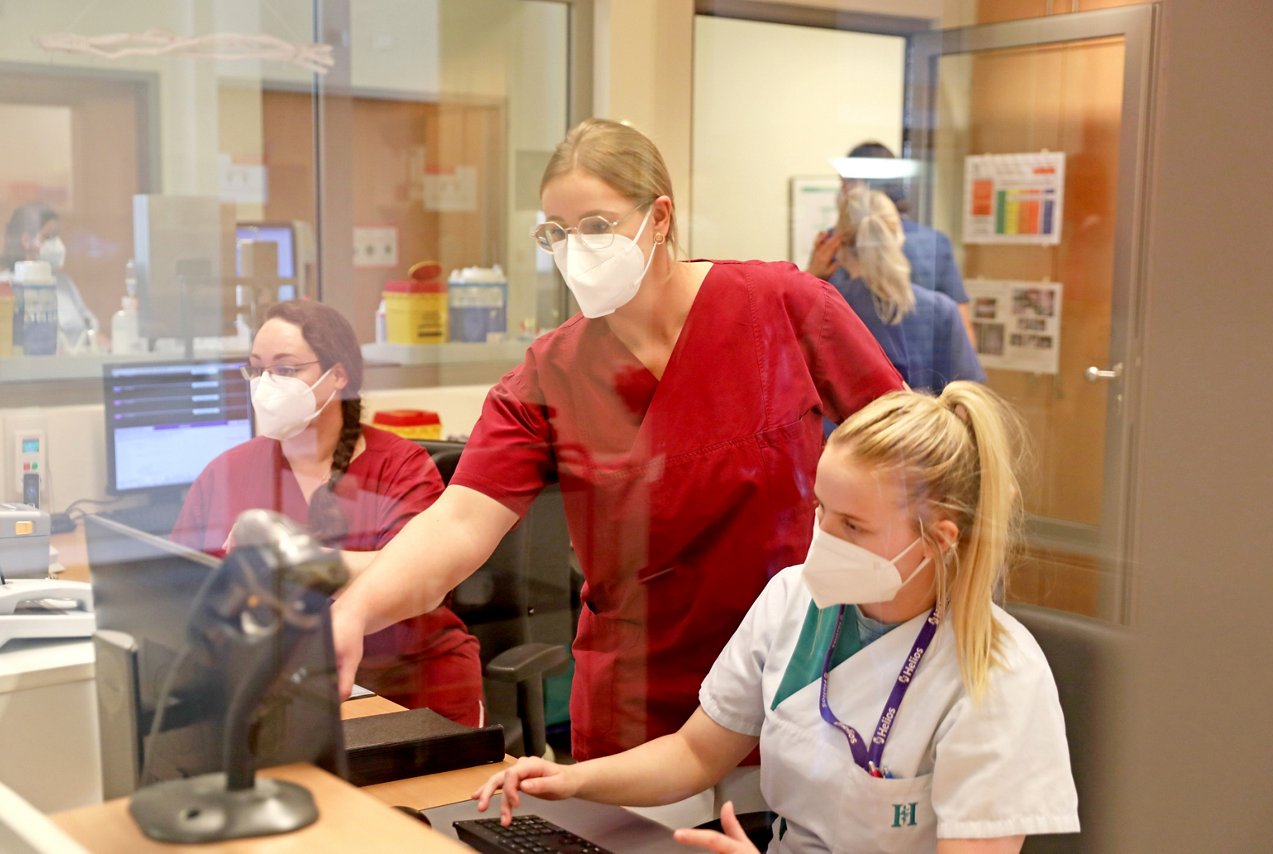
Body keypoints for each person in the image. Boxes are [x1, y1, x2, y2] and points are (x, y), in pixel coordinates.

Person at [331, 118, 904, 760]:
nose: (576, 249)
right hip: (637, 700)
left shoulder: (779, 306)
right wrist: (354, 612)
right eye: (556, 233)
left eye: (598, 227)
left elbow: (911, 452)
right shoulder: (551, 375)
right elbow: (459, 522)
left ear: (659, 218)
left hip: (794, 675)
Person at [473, 382, 1079, 853]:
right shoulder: (796, 599)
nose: (823, 536)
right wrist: (572, 782)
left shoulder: (996, 674)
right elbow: (695, 754)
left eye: (853, 526)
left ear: (939, 539)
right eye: (821, 509)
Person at [171, 300, 483, 725]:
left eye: (285, 370)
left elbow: (422, 576)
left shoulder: (399, 467)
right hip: (281, 696)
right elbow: (177, 588)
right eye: (256, 369)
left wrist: (292, 560)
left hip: (410, 693)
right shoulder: (227, 472)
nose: (265, 384)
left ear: (338, 376)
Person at [808, 141, 975, 345]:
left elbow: (805, 326)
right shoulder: (933, 243)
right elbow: (963, 335)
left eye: (845, 181)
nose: (842, 189)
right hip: (923, 373)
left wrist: (809, 276)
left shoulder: (834, 243)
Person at [829, 188, 983, 395]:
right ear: (899, 237)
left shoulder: (826, 310)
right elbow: (967, 395)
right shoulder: (940, 310)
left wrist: (811, 275)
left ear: (838, 242)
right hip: (923, 426)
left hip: (847, 428)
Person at [2, 203, 99, 348]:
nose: (57, 244)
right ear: (26, 241)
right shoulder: (6, 286)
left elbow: (90, 328)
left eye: (57, 236)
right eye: (48, 237)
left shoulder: (63, 283)